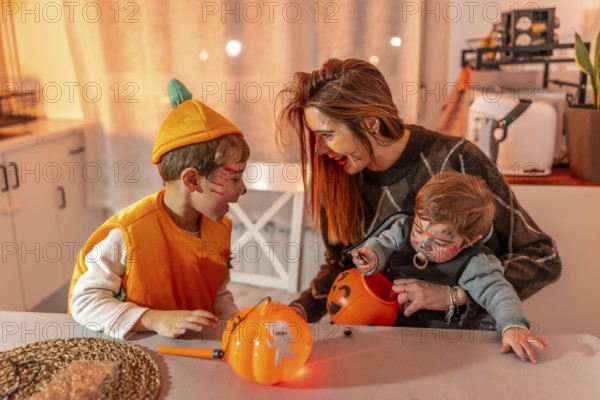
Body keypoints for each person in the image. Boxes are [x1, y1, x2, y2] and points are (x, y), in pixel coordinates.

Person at [276, 58, 561, 329]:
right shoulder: (337, 178)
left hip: (462, 345)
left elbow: (542, 258)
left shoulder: (457, 159)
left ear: (370, 123)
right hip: (382, 341)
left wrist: (454, 296)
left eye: (327, 134)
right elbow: (339, 267)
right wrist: (298, 311)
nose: (318, 150)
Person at [68, 79, 249, 340]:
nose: (242, 189)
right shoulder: (129, 234)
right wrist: (151, 318)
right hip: (140, 352)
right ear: (192, 180)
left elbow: (218, 294)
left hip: (196, 351)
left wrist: (234, 321)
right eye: (235, 178)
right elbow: (84, 303)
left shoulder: (220, 228)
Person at [350, 171, 546, 363]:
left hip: (448, 345)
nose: (423, 245)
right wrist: (372, 256)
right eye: (419, 230)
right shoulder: (403, 228)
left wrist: (513, 326)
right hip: (393, 335)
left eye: (440, 242)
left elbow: (497, 292)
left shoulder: (475, 261)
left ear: (470, 241)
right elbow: (383, 244)